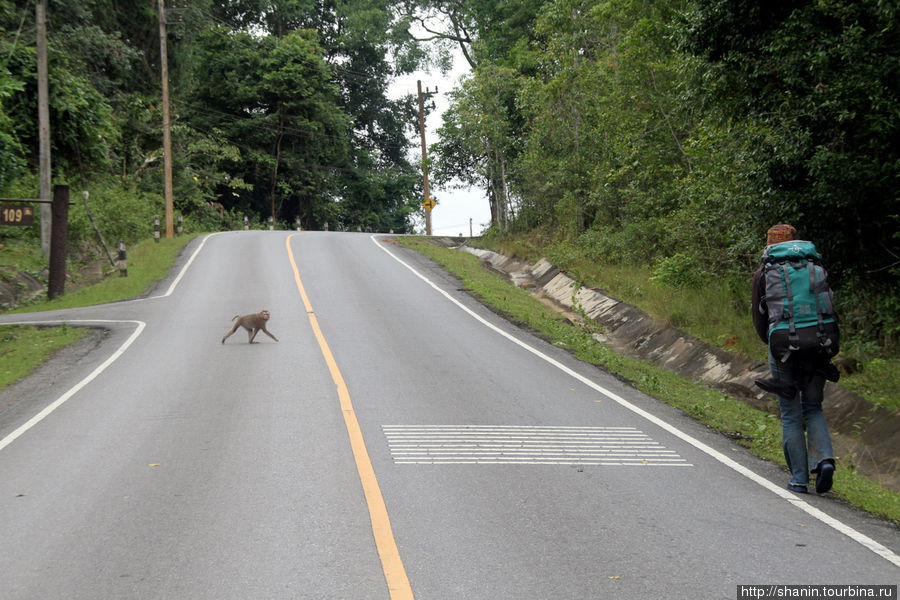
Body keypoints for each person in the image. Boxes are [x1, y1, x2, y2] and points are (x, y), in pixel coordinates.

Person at [751, 224, 836, 494]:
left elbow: (760, 318)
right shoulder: (815, 266)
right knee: (813, 407)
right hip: (820, 342)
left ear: (770, 244)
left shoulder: (764, 272)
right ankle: (824, 460)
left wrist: (774, 343)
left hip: (783, 345)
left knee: (790, 413)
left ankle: (799, 479)